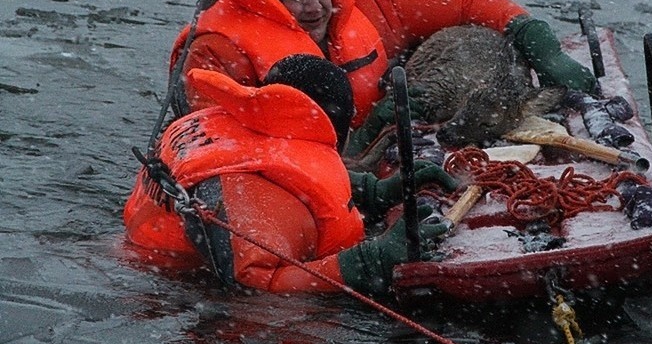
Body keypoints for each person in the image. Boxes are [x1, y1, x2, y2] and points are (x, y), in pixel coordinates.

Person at [167, 0, 598, 156]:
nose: (315, 6)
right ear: (267, 2)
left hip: (373, 139)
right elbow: (222, 144)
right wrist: (363, 176)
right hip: (302, 157)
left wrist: (539, 42)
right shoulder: (218, 49)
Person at [124, 55, 455, 296]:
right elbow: (255, 287)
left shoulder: (241, 129)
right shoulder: (256, 198)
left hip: (141, 260)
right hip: (169, 291)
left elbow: (273, 169)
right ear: (337, 126)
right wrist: (364, 264)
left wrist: (373, 192)